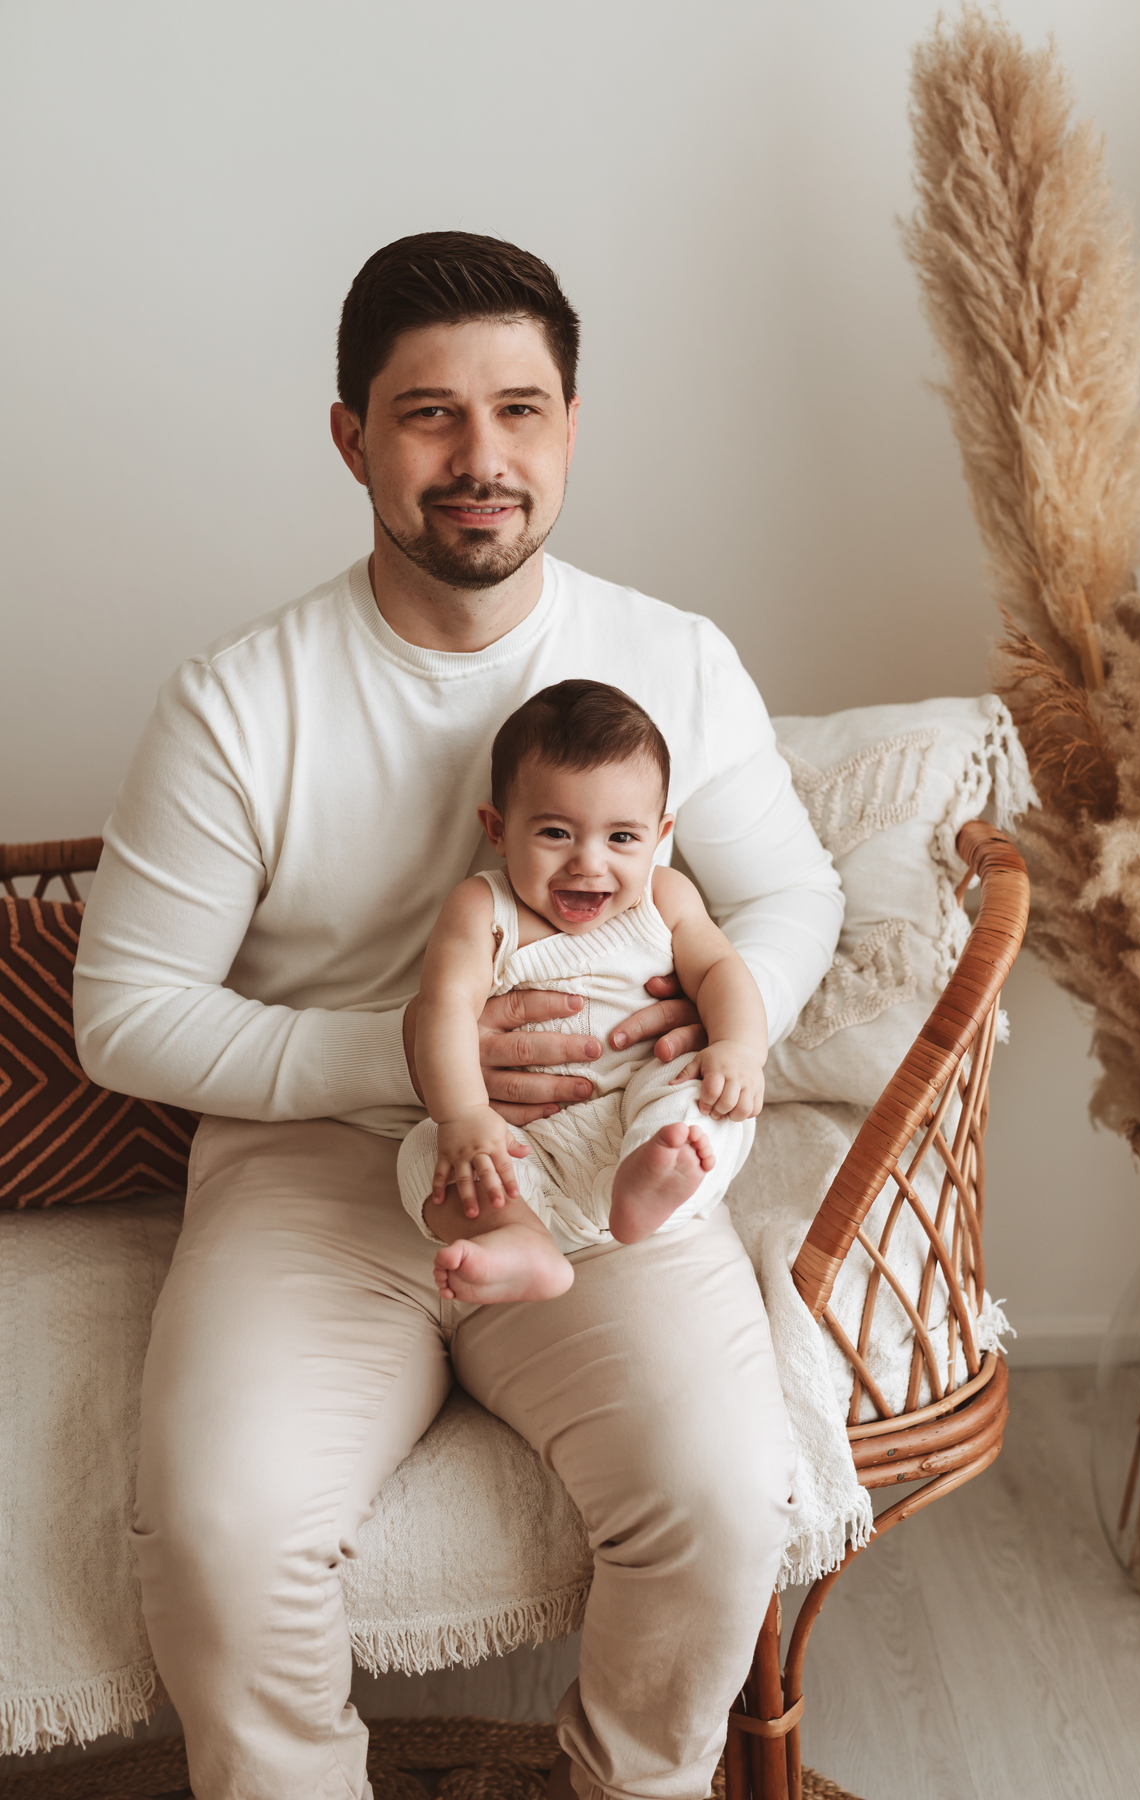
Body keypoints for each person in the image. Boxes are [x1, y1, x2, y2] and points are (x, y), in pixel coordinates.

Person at [74, 230, 844, 1800]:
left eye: (520, 411)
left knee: (719, 1493)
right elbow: (125, 1017)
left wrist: (718, 1031)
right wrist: (421, 1063)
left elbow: (792, 897)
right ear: (351, 437)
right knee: (219, 1527)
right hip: (316, 1174)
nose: (481, 458)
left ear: (571, 428)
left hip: (604, 1167)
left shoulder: (675, 660)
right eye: (429, 414)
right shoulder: (240, 700)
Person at [401, 678, 767, 1303]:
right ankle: (520, 1237)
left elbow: (719, 971)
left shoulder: (665, 897)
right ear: (498, 829)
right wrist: (462, 1115)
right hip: (524, 1145)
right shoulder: (482, 909)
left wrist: (738, 1046)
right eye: (555, 833)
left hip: (644, 1107)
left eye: (621, 837)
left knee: (705, 1097)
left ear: (660, 835)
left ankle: (646, 1187)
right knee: (425, 1151)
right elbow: (446, 1009)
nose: (588, 863)